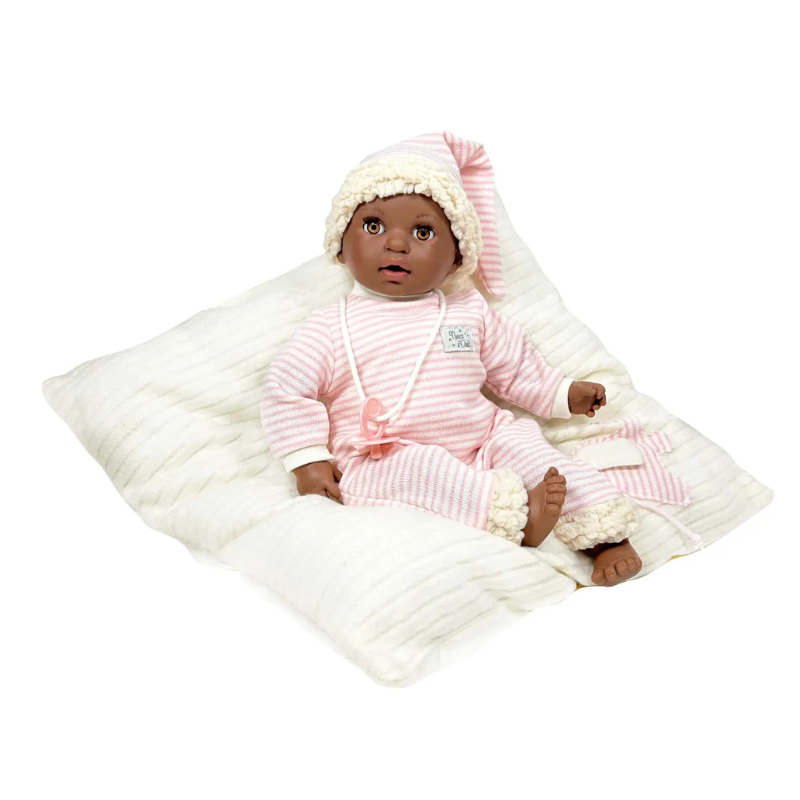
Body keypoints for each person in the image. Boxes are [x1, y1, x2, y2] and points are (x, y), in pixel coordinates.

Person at [261, 131, 643, 586]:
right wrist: (308, 459)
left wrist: (562, 393)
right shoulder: (329, 326)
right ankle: (516, 518)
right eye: (374, 227)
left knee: (536, 454)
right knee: (419, 474)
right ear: (341, 247)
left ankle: (606, 535)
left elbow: (515, 367)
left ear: (456, 259)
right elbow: (287, 387)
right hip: (383, 453)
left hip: (482, 438)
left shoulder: (467, 312)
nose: (397, 244)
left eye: (423, 232)